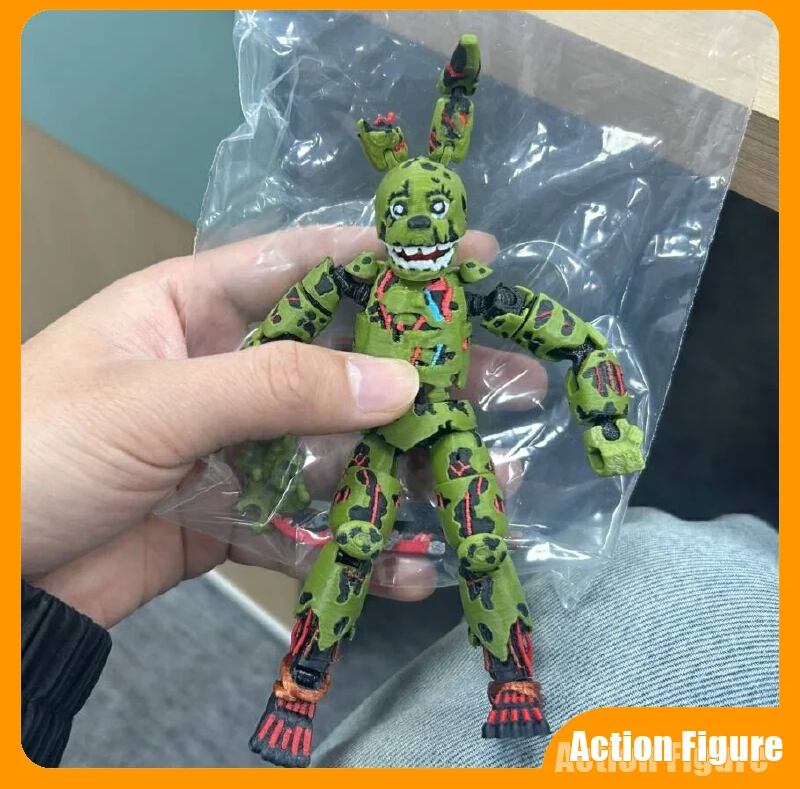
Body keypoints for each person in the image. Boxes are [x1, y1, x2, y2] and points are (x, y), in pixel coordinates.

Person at [22, 227, 778, 768]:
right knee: (352, 548)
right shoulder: (355, 278)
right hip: (376, 437)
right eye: (405, 216)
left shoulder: (472, 286)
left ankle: (512, 681)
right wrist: (250, 432)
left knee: (483, 547)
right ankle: (298, 692)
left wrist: (606, 420)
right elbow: (277, 338)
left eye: (433, 216)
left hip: (450, 427)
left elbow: (574, 338)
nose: (418, 232)